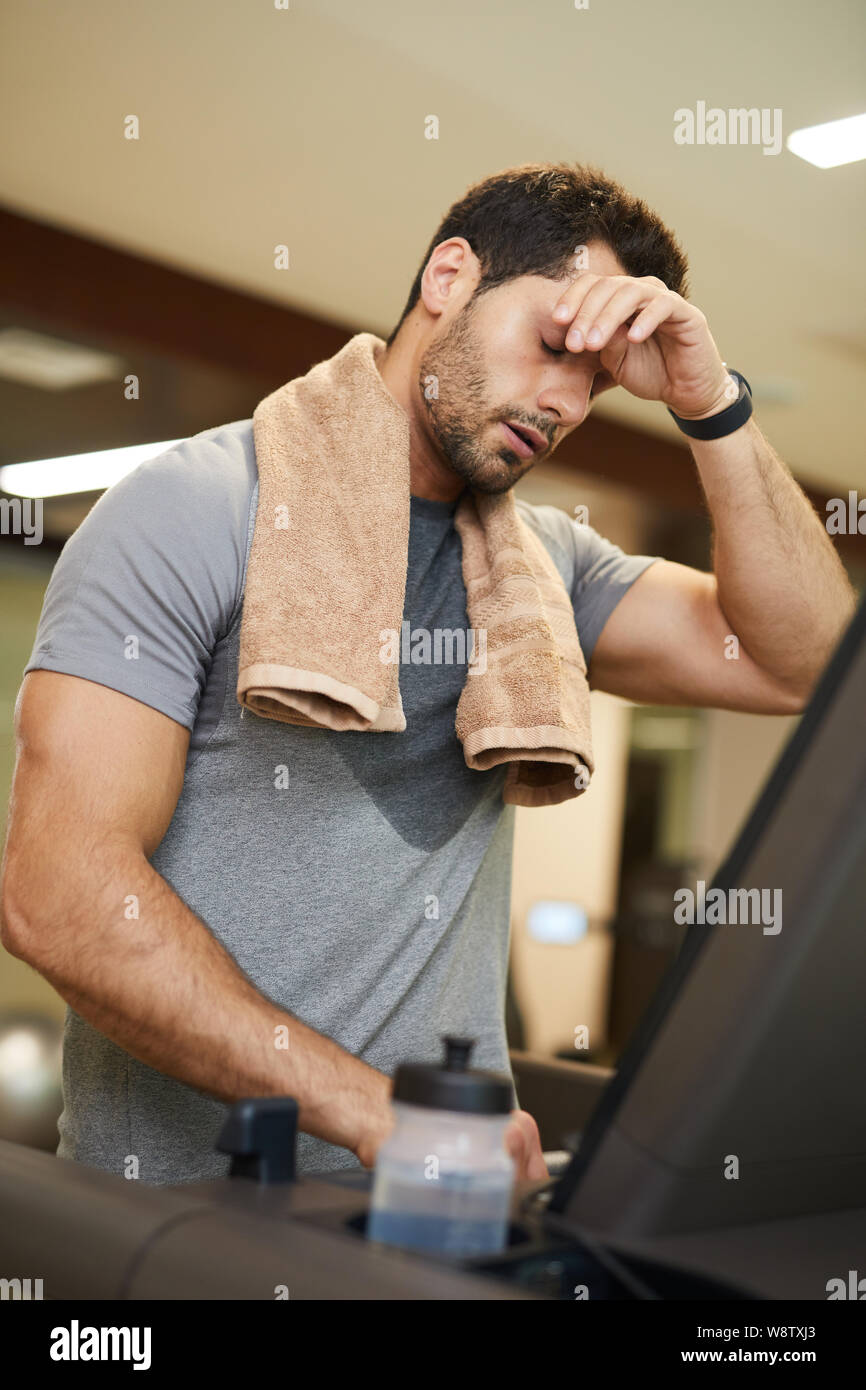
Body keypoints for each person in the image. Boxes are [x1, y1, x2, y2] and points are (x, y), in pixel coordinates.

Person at [0, 163, 854, 1186]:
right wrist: (372, 1112)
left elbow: (804, 663)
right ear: (449, 277)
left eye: (594, 381)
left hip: (447, 1204)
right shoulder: (197, 509)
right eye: (554, 347)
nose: (566, 401)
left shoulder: (546, 574)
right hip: (176, 1218)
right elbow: (59, 893)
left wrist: (710, 403)